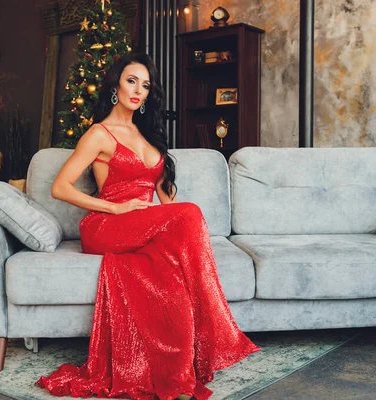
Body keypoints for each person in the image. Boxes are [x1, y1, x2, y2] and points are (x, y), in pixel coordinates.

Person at [37, 53, 260, 400]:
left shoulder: (149, 135)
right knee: (190, 214)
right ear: (115, 85)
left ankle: (176, 379)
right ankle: (217, 325)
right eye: (131, 81)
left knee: (171, 273)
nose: (138, 90)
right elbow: (60, 188)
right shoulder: (99, 134)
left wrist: (181, 239)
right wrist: (116, 206)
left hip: (142, 226)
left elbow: (166, 203)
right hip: (107, 224)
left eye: (145, 85)